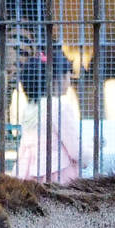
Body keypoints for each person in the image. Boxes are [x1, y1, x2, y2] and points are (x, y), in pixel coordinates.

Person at [13, 47, 81, 183]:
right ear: (57, 79)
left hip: (26, 172)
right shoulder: (60, 106)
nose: (70, 81)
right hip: (56, 172)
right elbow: (75, 150)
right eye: (68, 75)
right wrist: (91, 149)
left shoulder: (31, 106)